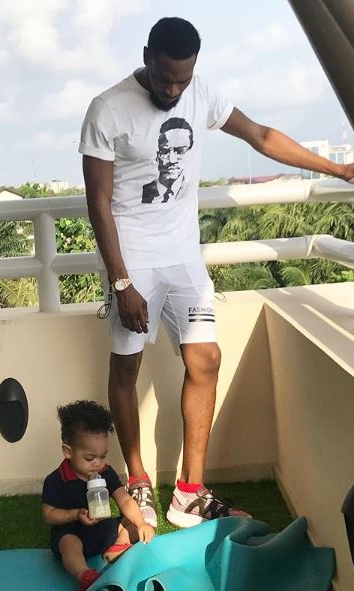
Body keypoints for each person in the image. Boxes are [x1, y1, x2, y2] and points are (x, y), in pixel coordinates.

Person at [79, 17, 354, 530]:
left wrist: (340, 170)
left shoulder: (200, 93)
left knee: (205, 359)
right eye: (165, 79)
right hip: (132, 259)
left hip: (184, 257)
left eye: (182, 80)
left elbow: (261, 136)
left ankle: (189, 492)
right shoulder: (108, 108)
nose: (173, 90)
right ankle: (138, 478)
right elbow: (98, 202)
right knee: (126, 367)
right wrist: (121, 282)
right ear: (147, 55)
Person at [42, 400, 154, 591]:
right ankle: (84, 574)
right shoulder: (56, 480)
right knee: (68, 544)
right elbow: (49, 514)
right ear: (68, 452)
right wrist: (74, 515)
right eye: (90, 458)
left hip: (103, 529)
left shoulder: (105, 472)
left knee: (131, 523)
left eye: (103, 456)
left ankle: (117, 548)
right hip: (73, 532)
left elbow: (124, 498)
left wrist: (141, 522)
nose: (98, 463)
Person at [141, 117, 193, 203]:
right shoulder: (143, 192)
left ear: (190, 152)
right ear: (157, 155)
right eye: (165, 151)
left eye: (180, 151)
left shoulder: (189, 191)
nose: (172, 159)